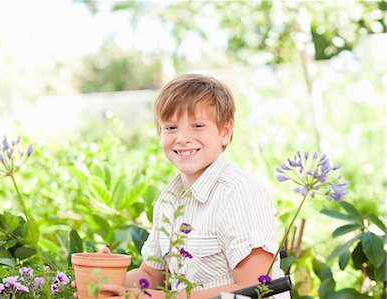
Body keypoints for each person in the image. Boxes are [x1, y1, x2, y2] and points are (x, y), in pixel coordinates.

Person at [73, 74, 289, 299]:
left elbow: (255, 288)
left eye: (197, 125)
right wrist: (104, 282)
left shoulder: (238, 193)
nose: (182, 138)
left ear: (225, 132)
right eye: (171, 127)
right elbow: (151, 276)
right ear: (159, 133)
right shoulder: (169, 201)